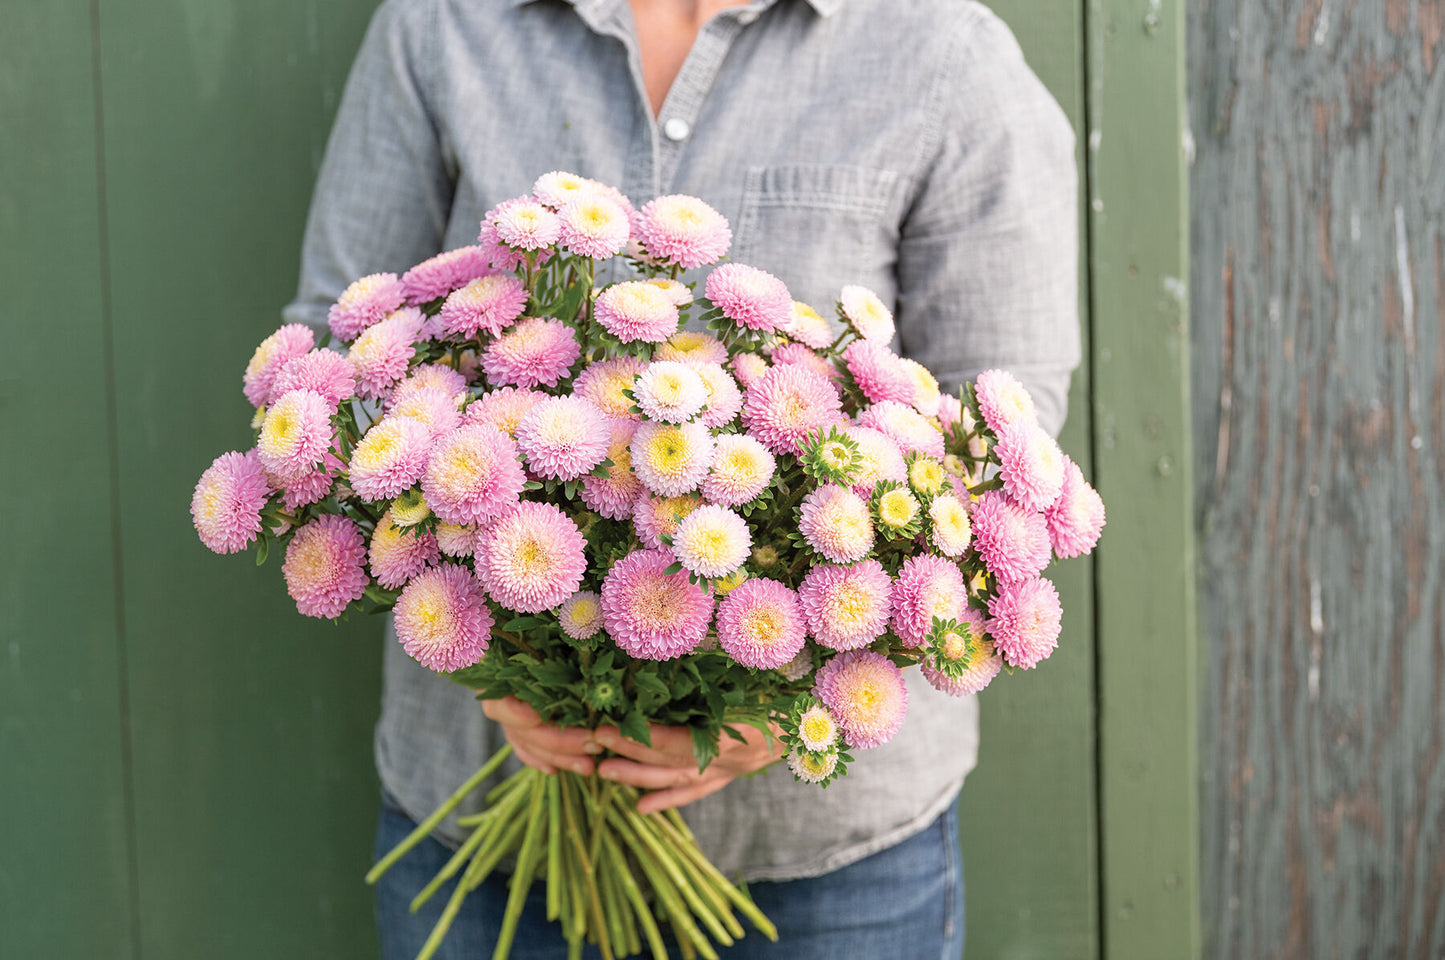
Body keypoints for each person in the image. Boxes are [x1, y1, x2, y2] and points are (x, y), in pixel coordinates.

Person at [284, 0, 1079, 956]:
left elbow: (1003, 427)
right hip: (488, 823)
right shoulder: (443, 24)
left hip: (824, 873)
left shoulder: (945, 50)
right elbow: (340, 349)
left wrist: (789, 705)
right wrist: (489, 655)